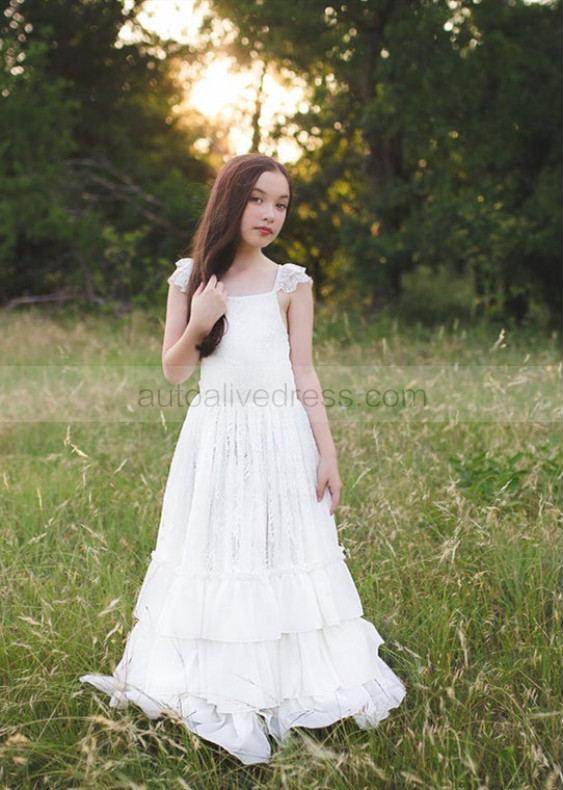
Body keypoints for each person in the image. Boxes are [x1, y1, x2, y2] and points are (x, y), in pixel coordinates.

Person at [80, 153, 405, 764]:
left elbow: (303, 369)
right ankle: (218, 679)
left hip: (282, 437)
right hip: (217, 438)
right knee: (221, 552)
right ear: (232, 200)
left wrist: (328, 453)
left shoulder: (291, 283)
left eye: (281, 204)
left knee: (277, 551)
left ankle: (286, 680)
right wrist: (201, 320)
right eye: (258, 199)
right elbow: (175, 374)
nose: (270, 214)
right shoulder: (191, 279)